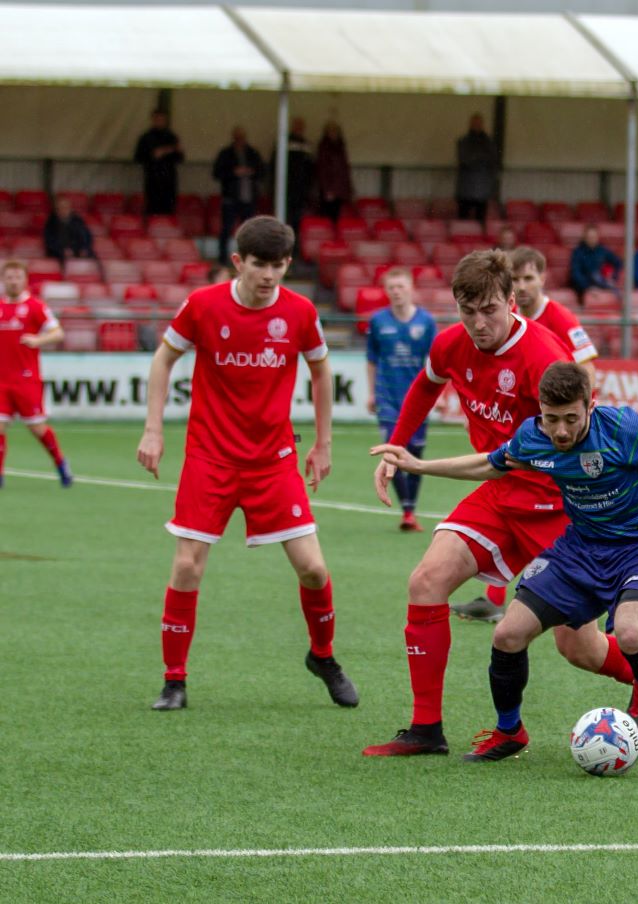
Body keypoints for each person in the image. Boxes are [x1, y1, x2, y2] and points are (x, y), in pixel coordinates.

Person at [361, 250, 638, 759]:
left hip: (556, 509)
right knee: (426, 581)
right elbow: (425, 385)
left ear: (511, 302)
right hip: (497, 494)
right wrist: (398, 449)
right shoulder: (450, 345)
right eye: (469, 312)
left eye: (490, 310)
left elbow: (580, 424)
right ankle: (427, 729)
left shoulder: (542, 355)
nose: (479, 323)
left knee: (581, 648)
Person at [374, 361, 638, 761]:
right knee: (507, 635)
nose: (559, 431)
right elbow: (491, 465)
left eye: (570, 419)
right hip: (580, 550)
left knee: (633, 634)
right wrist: (418, 464)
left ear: (590, 406)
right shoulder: (534, 434)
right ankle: (510, 732)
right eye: (551, 418)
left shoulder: (624, 430)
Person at [136, 216, 357, 712]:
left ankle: (322, 656)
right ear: (239, 262)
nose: (269, 275)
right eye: (260, 265)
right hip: (210, 458)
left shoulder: (299, 312)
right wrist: (153, 429)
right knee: (188, 565)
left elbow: (321, 374)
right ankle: (175, 680)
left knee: (315, 570)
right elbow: (162, 361)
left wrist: (323, 444)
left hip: (272, 462)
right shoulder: (203, 305)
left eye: (278, 266)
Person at [450, 244, 599, 624]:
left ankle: (624, 590)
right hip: (515, 456)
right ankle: (493, 596)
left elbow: (585, 370)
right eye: (517, 278)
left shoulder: (558, 319)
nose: (524, 285)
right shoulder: (497, 319)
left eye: (530, 277)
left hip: (557, 433)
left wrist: (574, 416)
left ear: (541, 279)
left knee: (577, 626)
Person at [366, 268, 437, 532]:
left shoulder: (426, 322)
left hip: (417, 398)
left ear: (411, 288)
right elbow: (372, 359)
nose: (396, 291)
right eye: (392, 287)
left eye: (401, 287)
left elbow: (434, 361)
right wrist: (371, 392)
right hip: (387, 396)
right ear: (386, 291)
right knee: (392, 451)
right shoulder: (378, 321)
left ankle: (411, 507)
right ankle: (407, 511)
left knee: (415, 452)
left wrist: (438, 396)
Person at [0, 260, 72, 489]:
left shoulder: (35, 306)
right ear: (3, 280)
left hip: (26, 379)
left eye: (17, 277)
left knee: (37, 428)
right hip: (1, 381)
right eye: (9, 277)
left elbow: (58, 333)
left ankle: (60, 463)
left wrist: (38, 340)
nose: (13, 281)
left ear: (24, 280)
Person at [213, 127, 266, 265]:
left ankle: (247, 258)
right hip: (230, 198)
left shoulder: (253, 153)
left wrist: (251, 172)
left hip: (249, 198)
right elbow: (217, 173)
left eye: (242, 138)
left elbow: (262, 172)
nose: (240, 141)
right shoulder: (226, 153)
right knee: (226, 228)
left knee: (249, 232)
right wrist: (233, 172)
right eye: (237, 138)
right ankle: (222, 258)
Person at [133, 109, 184, 216]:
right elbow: (138, 158)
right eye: (157, 119)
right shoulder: (145, 138)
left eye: (162, 119)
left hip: (169, 180)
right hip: (153, 179)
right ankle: (152, 229)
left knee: (169, 209)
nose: (160, 122)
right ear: (153, 120)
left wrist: (175, 151)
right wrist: (152, 155)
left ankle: (167, 229)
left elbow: (180, 159)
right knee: (153, 208)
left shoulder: (172, 137)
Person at [272, 116, 314, 245]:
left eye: (301, 127)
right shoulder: (284, 142)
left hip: (301, 191)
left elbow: (311, 168)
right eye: (297, 126)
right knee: (285, 220)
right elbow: (275, 165)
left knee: (297, 221)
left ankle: (294, 248)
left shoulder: (306, 145)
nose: (299, 129)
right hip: (286, 189)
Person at [455, 114, 498, 223]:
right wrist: (481, 157)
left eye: (479, 123)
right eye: (474, 123)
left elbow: (493, 159)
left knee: (480, 221)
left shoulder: (489, 142)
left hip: (482, 189)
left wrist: (476, 157)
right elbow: (465, 160)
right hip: (466, 189)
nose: (477, 125)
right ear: (470, 124)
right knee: (463, 221)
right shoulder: (463, 141)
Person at [316, 122, 353, 225]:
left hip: (340, 189)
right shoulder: (324, 147)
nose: (334, 134)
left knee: (337, 216)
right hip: (329, 190)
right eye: (331, 131)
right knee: (327, 216)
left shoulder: (341, 147)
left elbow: (344, 169)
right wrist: (327, 188)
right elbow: (323, 169)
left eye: (335, 131)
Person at [569, 224, 622, 295]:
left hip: (600, 283)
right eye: (589, 237)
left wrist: (613, 277)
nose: (592, 239)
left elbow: (618, 262)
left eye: (594, 237)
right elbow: (576, 274)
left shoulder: (602, 250)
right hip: (582, 288)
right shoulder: (578, 252)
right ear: (584, 237)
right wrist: (588, 287)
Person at [43, 196, 94, 261]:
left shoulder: (78, 221)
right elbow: (49, 242)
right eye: (60, 208)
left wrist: (84, 248)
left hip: (78, 252)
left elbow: (87, 237)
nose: (63, 210)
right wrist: (62, 251)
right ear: (56, 210)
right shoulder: (51, 223)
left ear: (70, 209)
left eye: (66, 207)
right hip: (58, 254)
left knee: (91, 258)